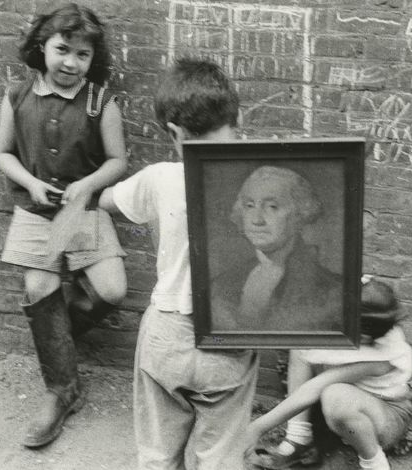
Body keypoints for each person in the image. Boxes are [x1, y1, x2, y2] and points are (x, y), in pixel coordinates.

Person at [98, 57, 258, 470]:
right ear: (237, 117)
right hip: (230, 336)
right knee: (221, 454)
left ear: (173, 131)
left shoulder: (159, 178)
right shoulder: (261, 180)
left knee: (157, 452)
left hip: (166, 334)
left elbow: (106, 201)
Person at [0, 3, 128, 448]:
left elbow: (117, 161)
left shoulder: (100, 101)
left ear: (93, 61)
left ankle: (56, 341)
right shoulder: (17, 94)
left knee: (111, 291)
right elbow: (2, 153)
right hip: (36, 213)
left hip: (81, 212)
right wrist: (30, 184)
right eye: (62, 49)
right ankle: (62, 389)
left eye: (82, 55)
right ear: (41, 48)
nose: (70, 62)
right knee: (39, 289)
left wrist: (86, 185)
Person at [244, 276, 412, 470]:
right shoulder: (366, 318)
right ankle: (298, 439)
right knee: (303, 347)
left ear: (367, 335)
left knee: (334, 394)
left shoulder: (384, 356)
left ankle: (375, 463)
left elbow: (314, 388)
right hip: (351, 406)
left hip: (387, 414)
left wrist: (257, 428)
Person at [211, 166, 343, 331]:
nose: (257, 220)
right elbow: (220, 337)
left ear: (300, 214)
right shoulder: (222, 284)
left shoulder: (333, 291)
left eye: (272, 207)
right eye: (249, 205)